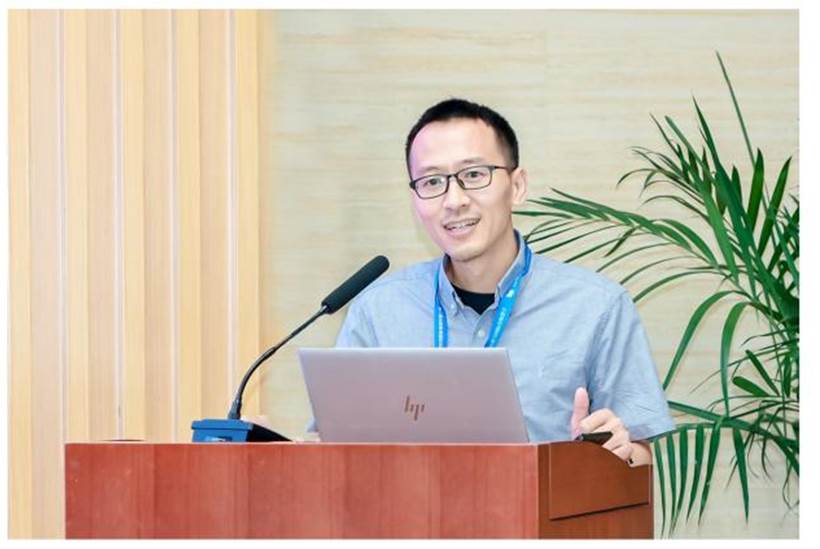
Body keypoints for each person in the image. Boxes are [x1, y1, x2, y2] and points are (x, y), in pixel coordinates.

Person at [325, 98, 674, 465]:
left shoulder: (596, 308)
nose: (454, 200)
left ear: (517, 185)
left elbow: (640, 460)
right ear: (415, 200)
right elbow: (333, 448)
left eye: (474, 175)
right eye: (432, 182)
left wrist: (614, 454)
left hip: (541, 505)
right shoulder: (378, 312)